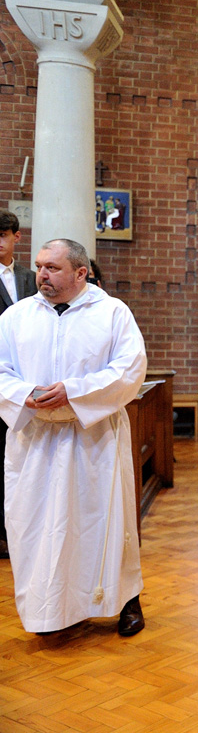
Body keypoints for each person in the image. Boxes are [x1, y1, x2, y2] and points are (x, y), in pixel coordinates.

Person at [0, 238, 148, 636]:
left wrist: (74, 391)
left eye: (52, 268)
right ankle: (51, 610)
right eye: (39, 266)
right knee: (35, 526)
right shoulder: (16, 317)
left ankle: (126, 601)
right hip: (35, 439)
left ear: (81, 273)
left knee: (104, 523)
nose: (41, 275)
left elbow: (130, 369)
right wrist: (23, 394)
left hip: (93, 438)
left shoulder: (112, 313)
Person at [0, 210, 36, 560]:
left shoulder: (30, 278)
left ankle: (20, 531)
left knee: (21, 456)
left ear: (16, 237)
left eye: (3, 235)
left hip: (25, 376)